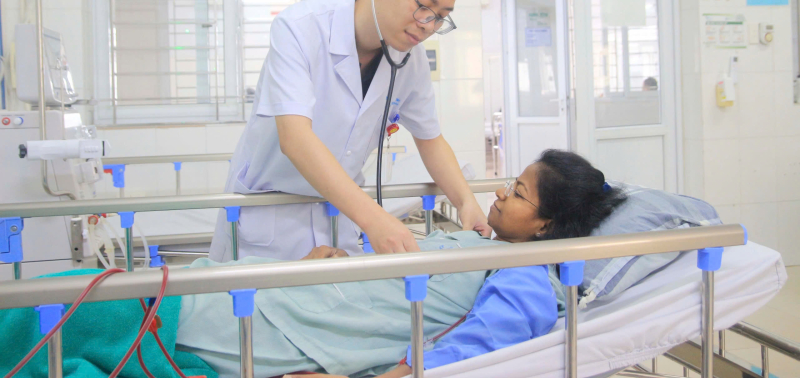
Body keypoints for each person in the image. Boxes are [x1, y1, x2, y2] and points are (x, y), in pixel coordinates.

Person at [0, 151, 626, 378]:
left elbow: (472, 356)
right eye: (509, 183)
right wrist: (337, 261)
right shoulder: (478, 243)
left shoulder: (528, 277)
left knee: (68, 305)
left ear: (546, 226)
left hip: (278, 329)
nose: (500, 195)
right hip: (277, 298)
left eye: (518, 193)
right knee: (74, 301)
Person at [209, 0, 489, 262]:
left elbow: (430, 139)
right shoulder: (300, 28)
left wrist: (466, 202)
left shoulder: (409, 60)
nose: (428, 25)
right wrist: (374, 219)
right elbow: (295, 139)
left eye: (440, 17)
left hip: (338, 221)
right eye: (424, 7)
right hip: (269, 223)